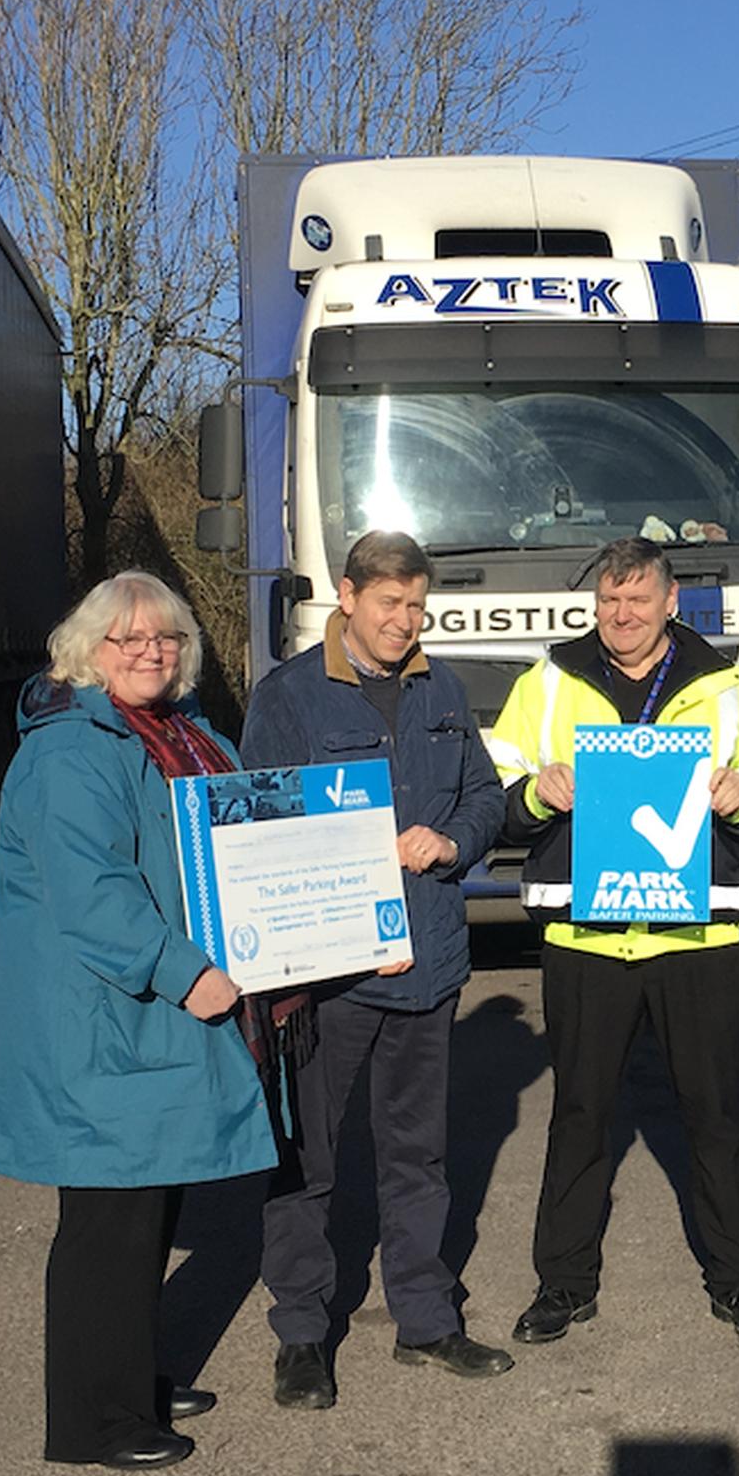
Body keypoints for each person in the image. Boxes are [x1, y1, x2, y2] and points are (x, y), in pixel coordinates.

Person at [0, 572, 276, 1469]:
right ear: (87, 652)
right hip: (104, 1023)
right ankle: (95, 1420)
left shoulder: (179, 735)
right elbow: (96, 897)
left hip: (149, 1023)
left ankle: (134, 1374)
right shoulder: (71, 753)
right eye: (130, 639)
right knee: (109, 1225)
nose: (152, 651)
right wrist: (184, 974)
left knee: (148, 1207)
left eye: (168, 638)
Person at [488, 535, 739, 1345]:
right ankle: (562, 1285)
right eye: (608, 600)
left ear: (669, 603)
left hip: (696, 938)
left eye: (637, 600)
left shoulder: (731, 686)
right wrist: (534, 790)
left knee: (716, 1116)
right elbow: (493, 787)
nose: (621, 615)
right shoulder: (549, 682)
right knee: (581, 1115)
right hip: (586, 937)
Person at [239, 531, 511, 1408]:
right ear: (347, 598)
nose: (405, 621)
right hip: (331, 978)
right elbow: (257, 826)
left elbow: (484, 796)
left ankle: (426, 1320)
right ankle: (302, 1334)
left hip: (428, 965)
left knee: (417, 1156)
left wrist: (455, 840)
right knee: (307, 1160)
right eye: (389, 603)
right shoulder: (288, 697)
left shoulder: (444, 689)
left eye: (417, 605)